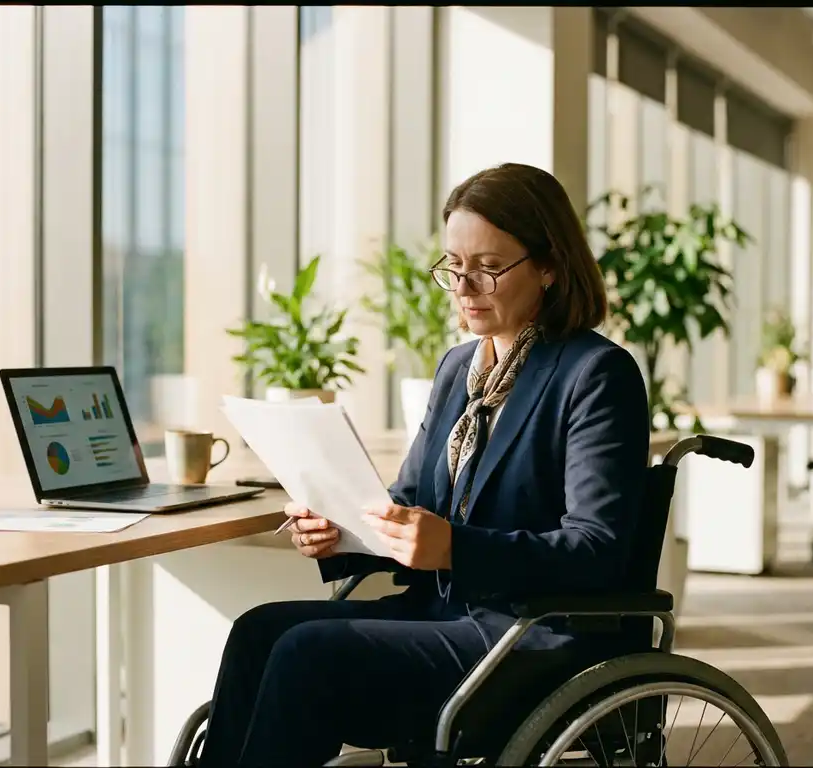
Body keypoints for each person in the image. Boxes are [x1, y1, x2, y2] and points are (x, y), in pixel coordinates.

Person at [199, 163, 651, 767]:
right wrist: (341, 533)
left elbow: (597, 549)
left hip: (528, 636)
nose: (464, 287)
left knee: (307, 653)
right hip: (443, 616)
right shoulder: (459, 369)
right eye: (454, 267)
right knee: (259, 631)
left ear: (549, 266)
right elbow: (410, 503)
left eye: (488, 268)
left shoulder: (595, 376)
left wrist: (456, 548)